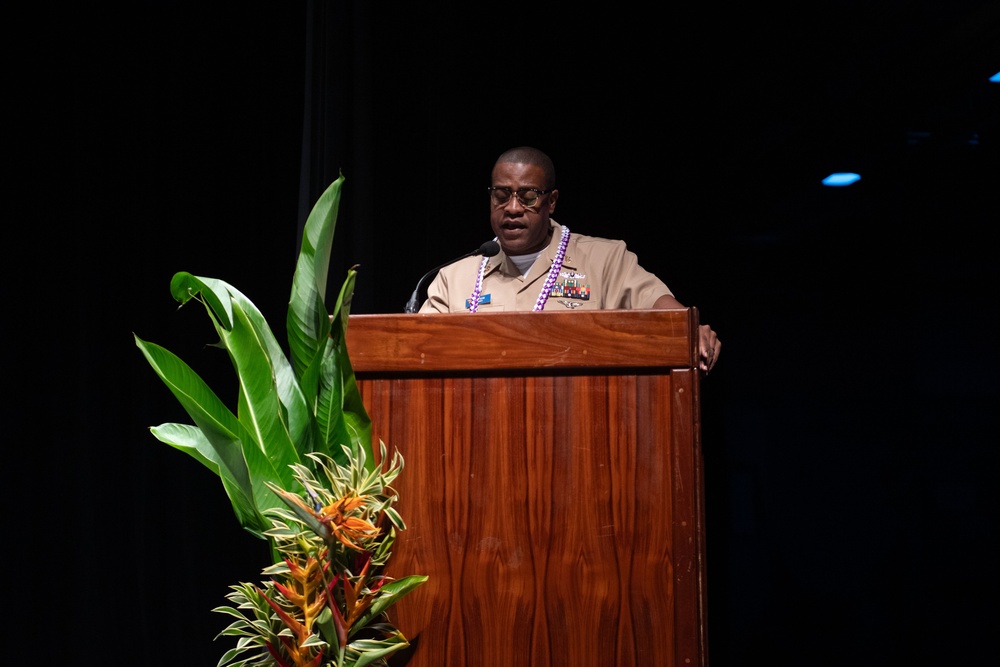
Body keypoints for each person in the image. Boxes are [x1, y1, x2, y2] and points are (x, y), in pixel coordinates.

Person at [418, 146, 721, 372]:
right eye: (501, 195)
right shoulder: (453, 278)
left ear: (551, 201)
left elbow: (663, 311)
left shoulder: (604, 261)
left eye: (528, 196)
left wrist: (688, 330)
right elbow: (418, 352)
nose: (512, 207)